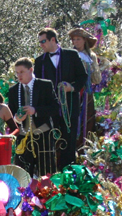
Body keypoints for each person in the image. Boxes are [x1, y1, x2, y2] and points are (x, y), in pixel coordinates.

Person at [33, 28, 89, 169]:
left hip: (69, 106)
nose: (41, 45)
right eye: (40, 42)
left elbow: (83, 76)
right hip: (49, 108)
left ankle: (68, 174)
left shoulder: (71, 55)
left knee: (69, 140)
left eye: (43, 41)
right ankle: (49, 175)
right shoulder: (40, 61)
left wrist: (72, 87)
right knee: (49, 140)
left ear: (53, 39)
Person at [7, 57, 62, 177]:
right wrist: (17, 118)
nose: (19, 75)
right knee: (22, 174)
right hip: (23, 137)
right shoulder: (13, 90)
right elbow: (10, 113)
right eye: (17, 72)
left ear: (31, 70)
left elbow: (55, 107)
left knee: (47, 173)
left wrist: (36, 110)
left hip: (43, 136)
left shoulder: (45, 85)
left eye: (22, 72)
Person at [68, 27, 102, 138]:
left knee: (88, 118)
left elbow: (97, 79)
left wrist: (91, 69)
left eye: (78, 39)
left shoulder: (91, 56)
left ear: (84, 40)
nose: (75, 42)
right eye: (74, 39)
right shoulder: (70, 55)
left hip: (87, 92)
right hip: (74, 91)